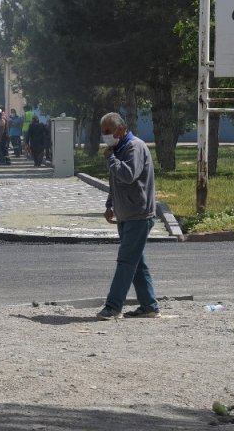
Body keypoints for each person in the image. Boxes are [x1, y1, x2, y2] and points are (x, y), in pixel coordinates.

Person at [96, 111, 160, 320]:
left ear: (121, 129)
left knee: (125, 261)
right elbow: (115, 181)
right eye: (103, 132)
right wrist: (110, 204)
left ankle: (113, 306)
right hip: (126, 214)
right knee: (136, 262)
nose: (105, 136)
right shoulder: (119, 147)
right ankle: (149, 306)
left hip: (138, 214)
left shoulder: (134, 147)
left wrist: (111, 159)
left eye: (108, 131)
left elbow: (128, 175)